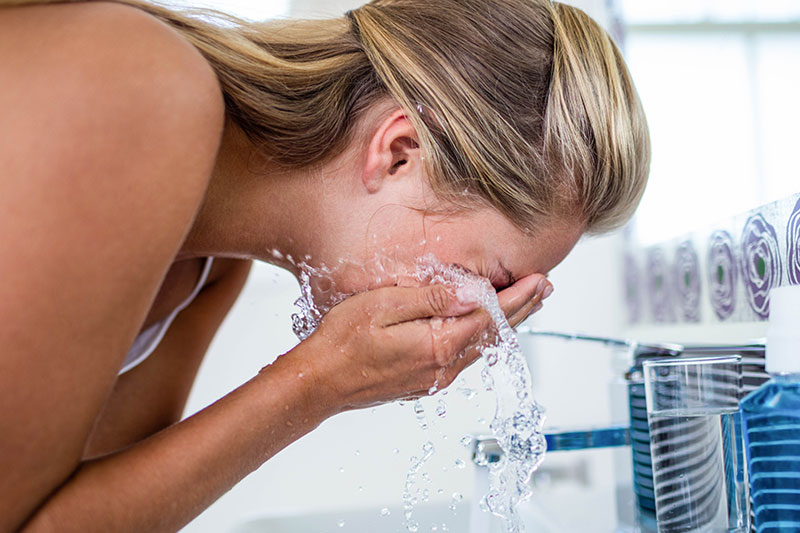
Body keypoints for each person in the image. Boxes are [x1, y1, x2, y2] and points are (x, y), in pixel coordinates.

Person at [0, 0, 649, 530]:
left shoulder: (208, 270)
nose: (477, 317)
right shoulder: (145, 89)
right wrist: (319, 379)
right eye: (492, 280)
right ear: (399, 153)